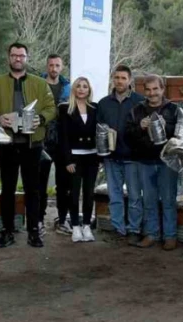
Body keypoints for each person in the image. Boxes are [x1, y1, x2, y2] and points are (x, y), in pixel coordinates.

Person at [0, 43, 57, 248]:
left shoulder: (40, 84)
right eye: (14, 55)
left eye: (21, 55)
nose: (18, 58)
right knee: (7, 189)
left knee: (32, 190)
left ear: (27, 58)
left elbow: (52, 108)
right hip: (7, 143)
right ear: (8, 58)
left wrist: (41, 119)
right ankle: (7, 232)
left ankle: (34, 232)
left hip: (32, 145)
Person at [124, 74, 182, 250]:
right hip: (145, 161)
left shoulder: (174, 110)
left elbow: (182, 135)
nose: (152, 93)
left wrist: (167, 127)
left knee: (168, 200)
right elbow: (127, 136)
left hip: (168, 162)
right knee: (148, 200)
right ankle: (151, 234)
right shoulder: (137, 110)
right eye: (148, 90)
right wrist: (138, 127)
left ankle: (170, 236)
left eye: (155, 89)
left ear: (162, 89)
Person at [96, 65, 145, 240]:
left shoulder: (140, 101)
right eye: (116, 77)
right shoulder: (103, 103)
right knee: (114, 196)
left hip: (133, 157)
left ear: (130, 80)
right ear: (112, 79)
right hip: (111, 157)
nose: (119, 81)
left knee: (134, 196)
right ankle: (119, 229)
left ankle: (134, 230)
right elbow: (99, 129)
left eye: (123, 78)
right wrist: (101, 154)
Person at [57, 77, 99, 243]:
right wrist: (67, 160)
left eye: (85, 87)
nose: (82, 89)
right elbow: (64, 137)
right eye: (79, 86)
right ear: (74, 89)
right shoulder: (66, 108)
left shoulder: (95, 108)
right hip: (74, 156)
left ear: (89, 90)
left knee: (89, 193)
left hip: (92, 156)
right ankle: (75, 226)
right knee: (74, 193)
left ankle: (87, 225)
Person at [40, 54, 72, 236]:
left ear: (62, 67)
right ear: (47, 66)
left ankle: (62, 219)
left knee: (64, 182)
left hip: (62, 140)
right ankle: (38, 220)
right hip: (42, 139)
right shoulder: (38, 84)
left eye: (57, 65)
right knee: (40, 182)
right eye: (51, 65)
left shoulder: (68, 87)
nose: (54, 68)